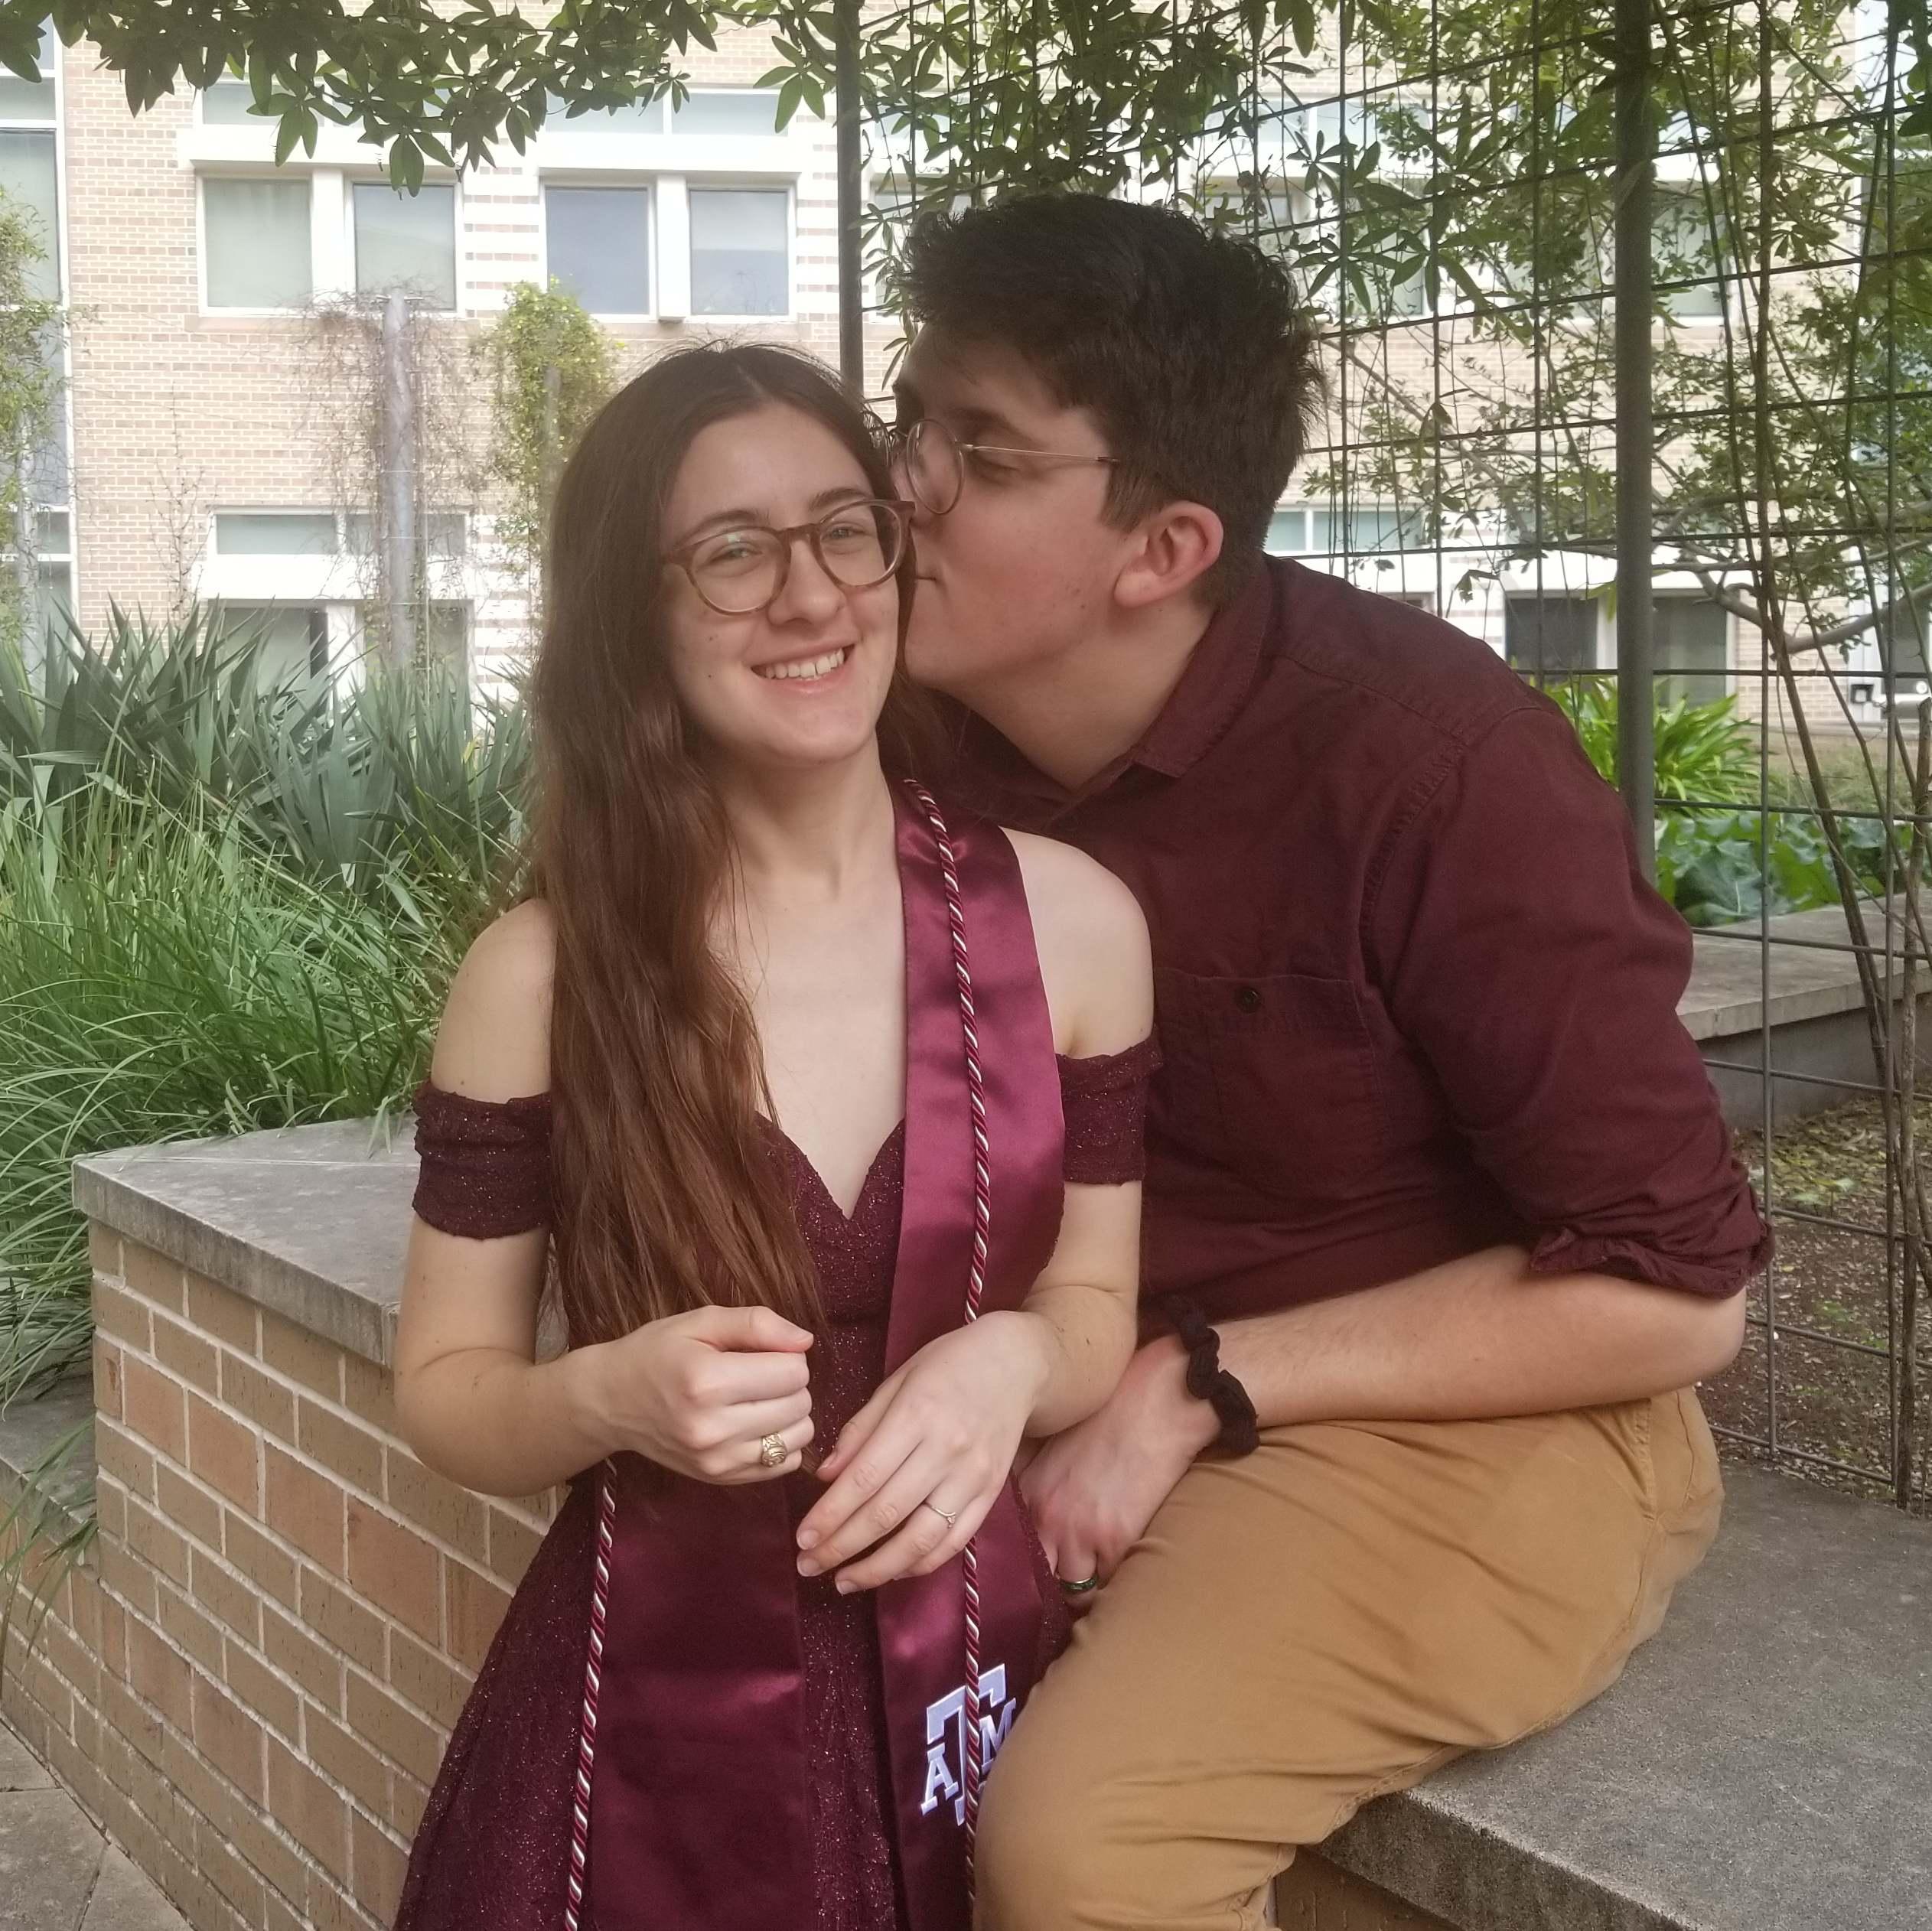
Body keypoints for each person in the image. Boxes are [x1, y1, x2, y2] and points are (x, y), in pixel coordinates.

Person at [881, 194, 1771, 1929]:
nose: (901, 484)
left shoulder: (1429, 768)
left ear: (1163, 547)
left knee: (1090, 1849)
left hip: (1469, 1407)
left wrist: (1200, 1377)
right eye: (908, 420)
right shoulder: (911, 744)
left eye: (977, 453)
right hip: (1063, 1368)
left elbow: (1680, 1295)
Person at [388, 341, 1156, 1931]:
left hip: (971, 1704)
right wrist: (607, 1393)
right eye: (730, 552)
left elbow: (1092, 1308)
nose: (807, 596)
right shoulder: (542, 975)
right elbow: (449, 1395)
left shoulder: (1072, 930)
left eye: (841, 529)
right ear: (638, 617)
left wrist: (1005, 1362)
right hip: (632, 1746)